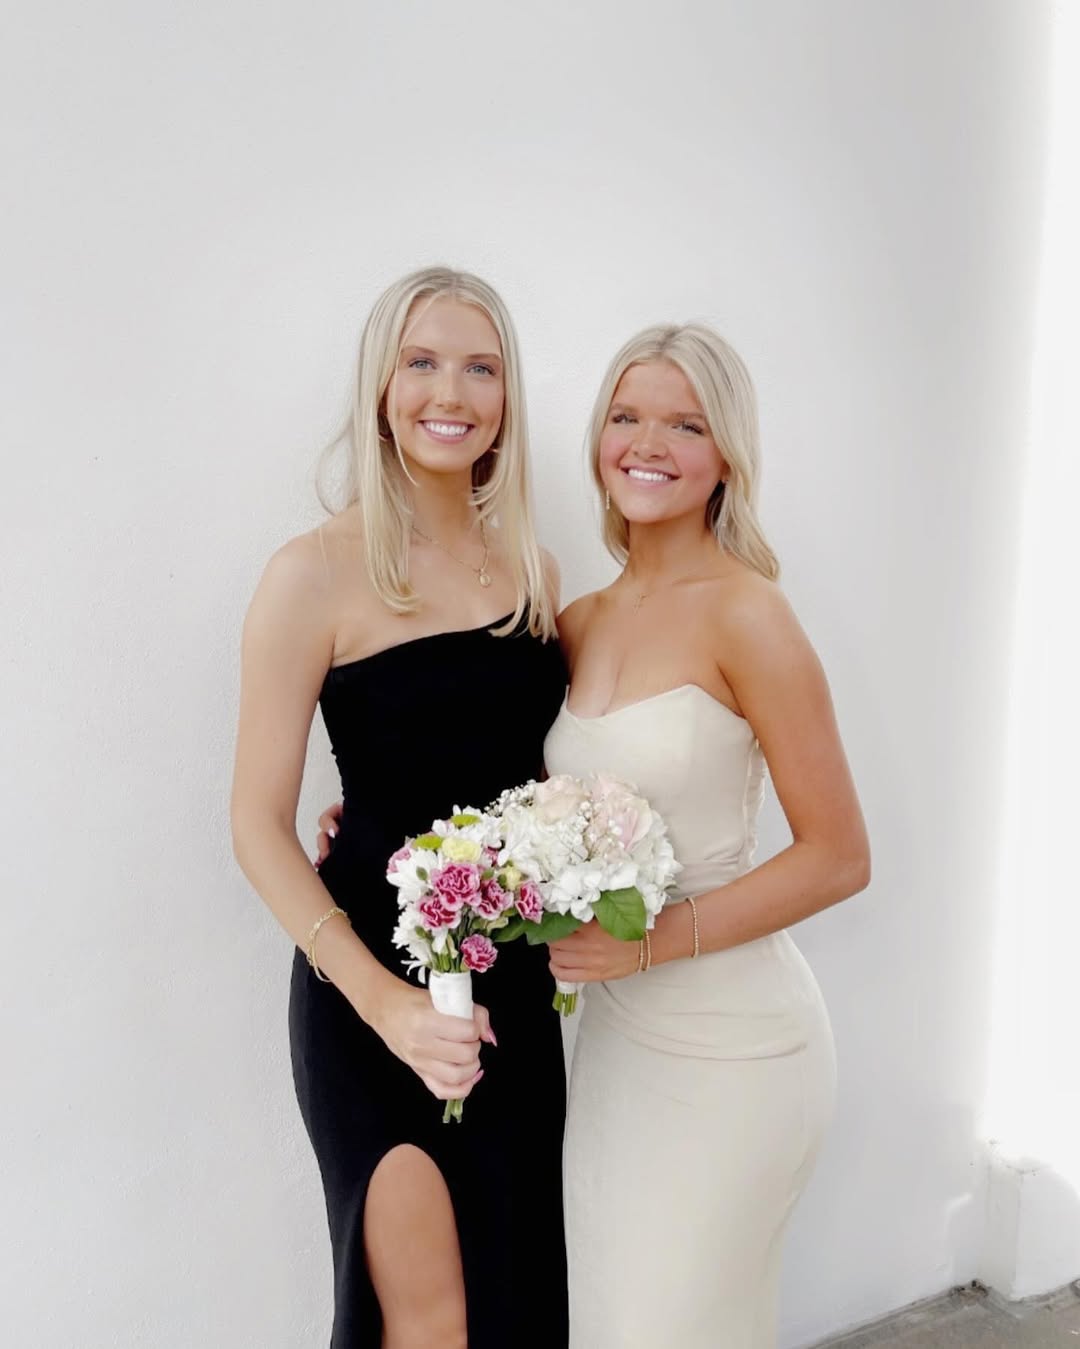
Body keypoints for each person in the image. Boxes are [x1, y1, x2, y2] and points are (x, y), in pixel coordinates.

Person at [231, 267, 568, 1349]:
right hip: (367, 989)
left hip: (510, 989)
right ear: (381, 384)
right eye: (421, 361)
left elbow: (534, 775)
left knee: (514, 1302)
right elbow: (254, 824)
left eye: (480, 367)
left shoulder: (533, 569)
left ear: (508, 395)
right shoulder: (311, 574)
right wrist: (385, 1005)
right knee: (424, 1322)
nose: (450, 392)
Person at [543, 323, 870, 1348]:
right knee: (610, 1320)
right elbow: (524, 799)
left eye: (686, 425)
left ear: (726, 455)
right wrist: (369, 811)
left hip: (736, 1047)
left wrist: (652, 941)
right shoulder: (577, 620)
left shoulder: (749, 615)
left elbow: (839, 854)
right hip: (614, 1048)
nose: (649, 443)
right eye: (628, 417)